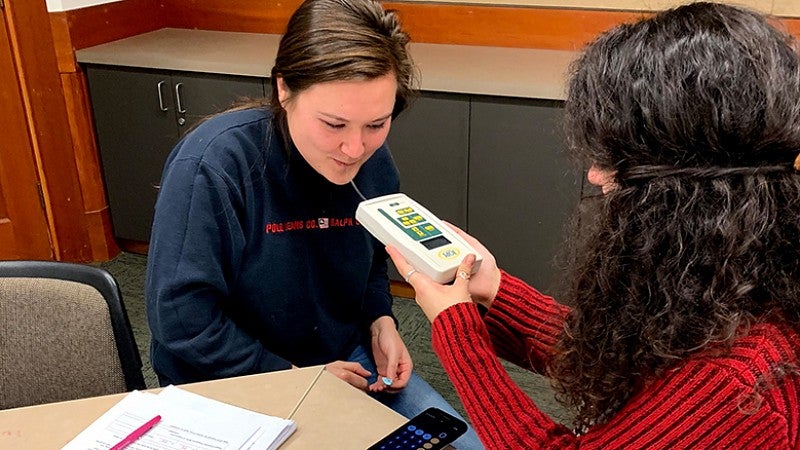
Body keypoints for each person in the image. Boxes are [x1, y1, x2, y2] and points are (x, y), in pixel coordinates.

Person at [387, 2, 800, 448]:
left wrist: (459, 332)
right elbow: (633, 364)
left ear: (680, 191)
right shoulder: (744, 279)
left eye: (616, 161)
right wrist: (496, 288)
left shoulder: (735, 389)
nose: (596, 176)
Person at [145, 0, 483, 447]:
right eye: (334, 124)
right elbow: (182, 322)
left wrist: (381, 320)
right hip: (231, 378)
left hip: (347, 363)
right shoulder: (214, 165)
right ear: (284, 89)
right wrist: (292, 378)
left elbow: (369, 262)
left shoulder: (374, 164)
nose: (354, 148)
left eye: (376, 124)